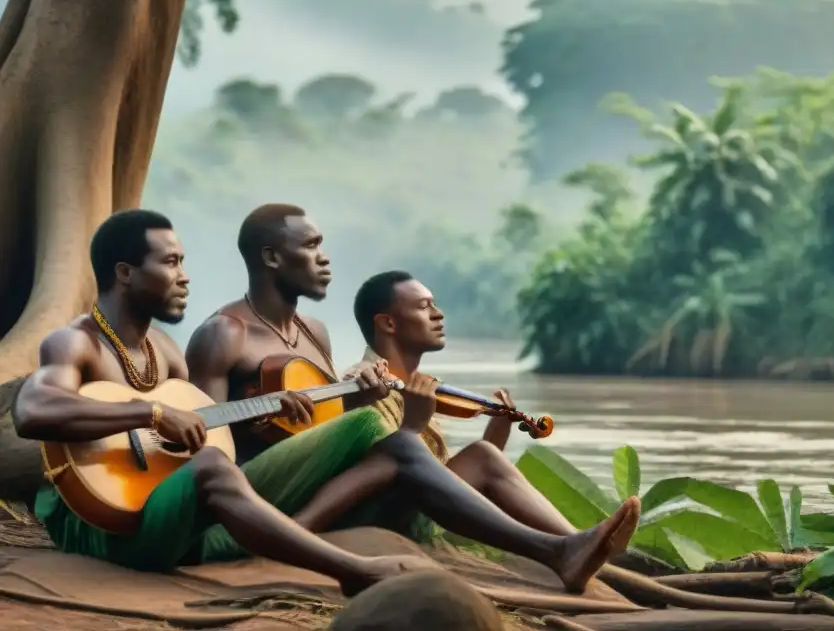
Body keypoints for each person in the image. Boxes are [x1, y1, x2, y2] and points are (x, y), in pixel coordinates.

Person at [184, 203, 639, 594]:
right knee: (394, 442)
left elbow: (324, 435)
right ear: (271, 257)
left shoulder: (314, 334)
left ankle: (586, 553)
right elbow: (204, 450)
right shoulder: (225, 334)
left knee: (477, 454)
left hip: (324, 482)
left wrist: (360, 407)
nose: (324, 260)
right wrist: (264, 425)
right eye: (311, 247)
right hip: (258, 500)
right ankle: (560, 550)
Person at [12, 209, 437, 595]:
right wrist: (152, 413)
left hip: (166, 517)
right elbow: (34, 412)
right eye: (171, 262)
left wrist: (266, 413)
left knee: (363, 436)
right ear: (125, 273)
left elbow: (201, 440)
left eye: (183, 262)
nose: (185, 277)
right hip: (97, 526)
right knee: (212, 468)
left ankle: (264, 536)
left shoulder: (167, 352)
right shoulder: (75, 342)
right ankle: (353, 570)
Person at [351, 270, 594, 543]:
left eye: (434, 304)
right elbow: (398, 476)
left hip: (418, 505)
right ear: (388, 324)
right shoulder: (365, 381)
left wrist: (497, 431)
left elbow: (447, 483)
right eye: (423, 306)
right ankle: (573, 542)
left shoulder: (416, 388)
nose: (438, 314)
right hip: (383, 517)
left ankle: (574, 542)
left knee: (484, 454)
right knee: (481, 456)